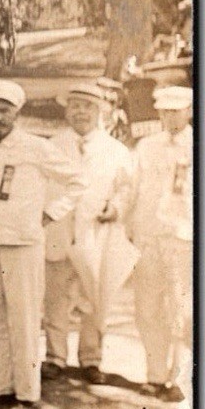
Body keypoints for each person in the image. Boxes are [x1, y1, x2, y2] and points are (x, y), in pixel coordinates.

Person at [0, 81, 85, 409]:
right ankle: (0, 386)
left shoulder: (36, 147)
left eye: (5, 110)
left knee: (24, 317)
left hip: (23, 243)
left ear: (17, 112)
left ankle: (28, 393)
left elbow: (77, 181)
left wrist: (50, 213)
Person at [43, 81, 133, 382]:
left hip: (95, 234)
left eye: (87, 107)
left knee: (95, 297)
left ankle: (91, 358)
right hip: (59, 233)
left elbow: (126, 188)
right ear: (66, 111)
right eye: (75, 106)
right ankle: (55, 356)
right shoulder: (52, 146)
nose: (80, 112)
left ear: (100, 112)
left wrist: (116, 208)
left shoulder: (115, 151)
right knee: (55, 297)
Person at [124, 86, 192, 402]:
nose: (170, 117)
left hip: (184, 239)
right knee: (148, 308)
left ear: (189, 111)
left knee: (183, 311)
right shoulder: (147, 146)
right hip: (149, 237)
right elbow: (131, 188)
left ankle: (181, 378)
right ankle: (154, 375)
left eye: (176, 111)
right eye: (164, 111)